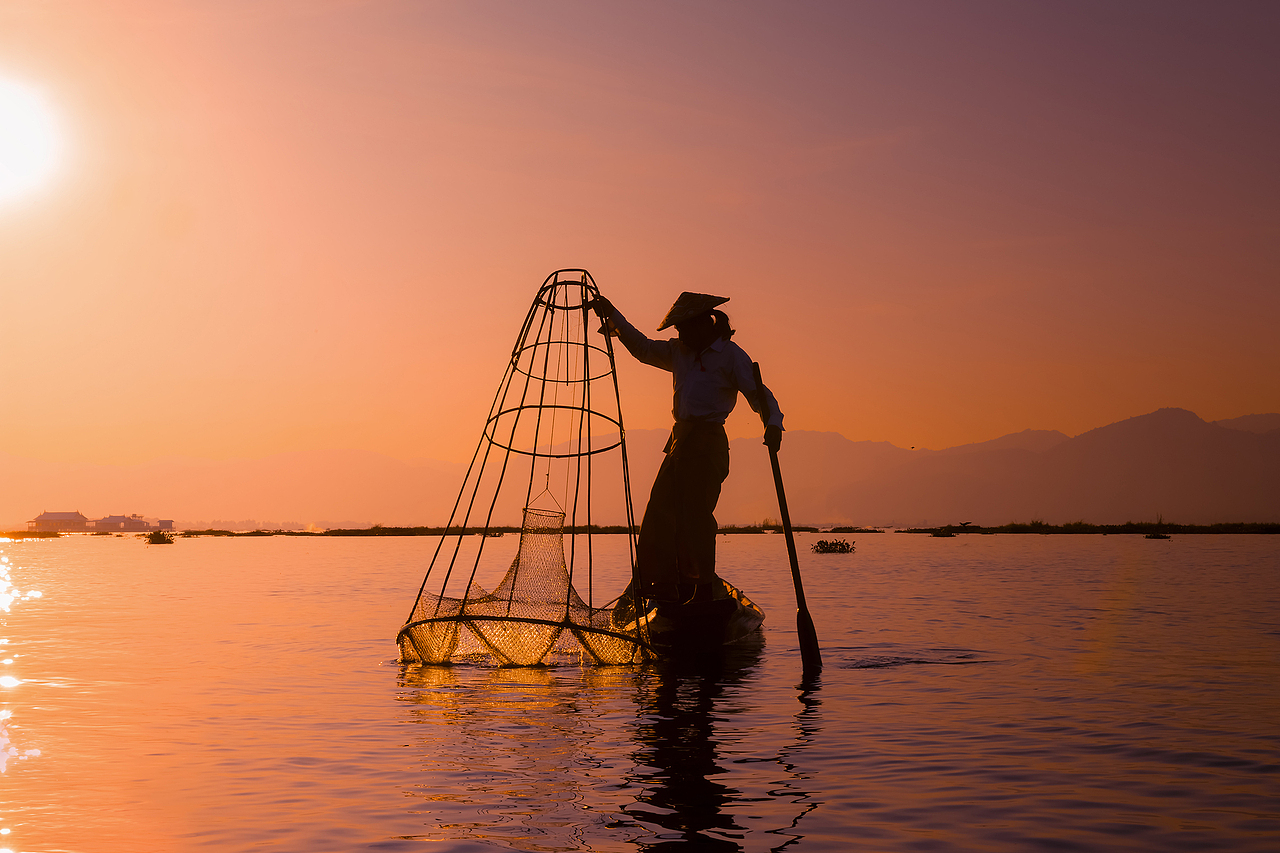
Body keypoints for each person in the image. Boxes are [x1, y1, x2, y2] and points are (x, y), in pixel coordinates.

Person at [591, 291, 783, 604]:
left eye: (683, 328)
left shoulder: (730, 355)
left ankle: (702, 590)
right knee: (660, 513)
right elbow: (643, 348)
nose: (679, 334)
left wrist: (772, 424)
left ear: (703, 325)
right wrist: (612, 314)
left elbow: (758, 394)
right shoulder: (679, 352)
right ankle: (661, 587)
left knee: (695, 518)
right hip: (679, 442)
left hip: (708, 443)